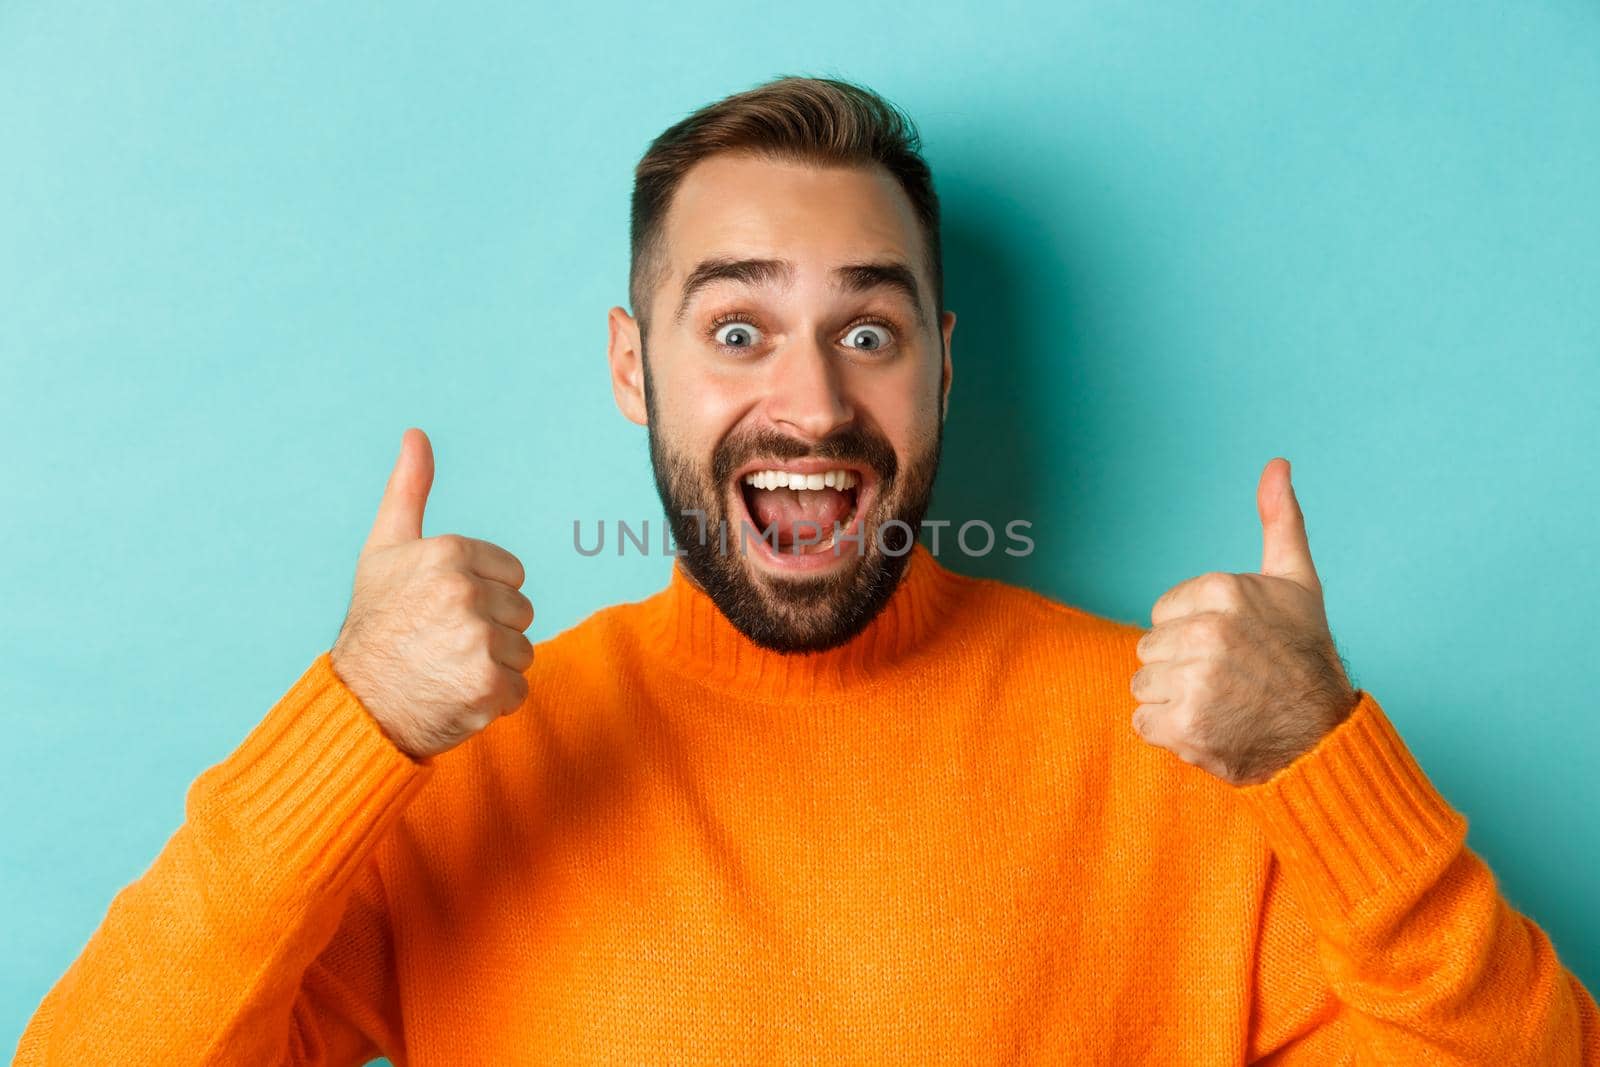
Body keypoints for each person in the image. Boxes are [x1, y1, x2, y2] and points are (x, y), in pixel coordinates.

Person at [15, 75, 1598, 1066]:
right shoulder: (469, 774)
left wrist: (1328, 764)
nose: (814, 404)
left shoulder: (1184, 762)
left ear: (941, 368)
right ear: (635, 372)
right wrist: (348, 723)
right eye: (735, 330)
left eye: (867, 331)